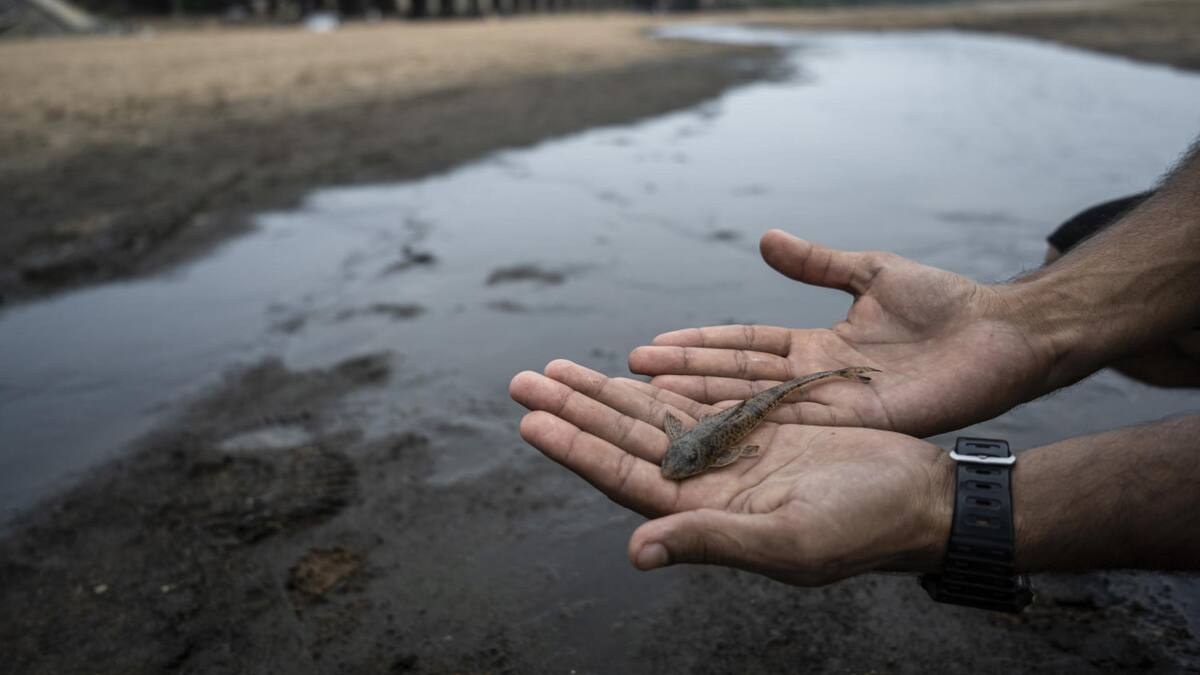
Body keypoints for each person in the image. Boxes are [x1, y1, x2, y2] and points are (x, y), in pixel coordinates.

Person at [508, 141, 1200, 588]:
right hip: (731, 421)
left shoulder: (703, 448)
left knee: (775, 396)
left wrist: (944, 506)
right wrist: (1025, 322)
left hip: (735, 419)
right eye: (679, 458)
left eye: (681, 459)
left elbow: (722, 444)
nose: (676, 459)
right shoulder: (693, 446)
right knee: (1073, 254)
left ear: (692, 451)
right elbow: (693, 433)